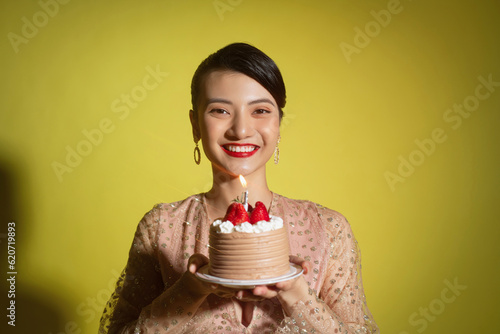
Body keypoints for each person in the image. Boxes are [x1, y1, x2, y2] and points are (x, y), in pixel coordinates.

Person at [99, 43, 378, 333]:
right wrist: (190, 290)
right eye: (220, 110)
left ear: (279, 124)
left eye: (260, 110)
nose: (241, 129)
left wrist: (296, 291)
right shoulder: (160, 228)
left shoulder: (328, 229)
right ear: (195, 125)